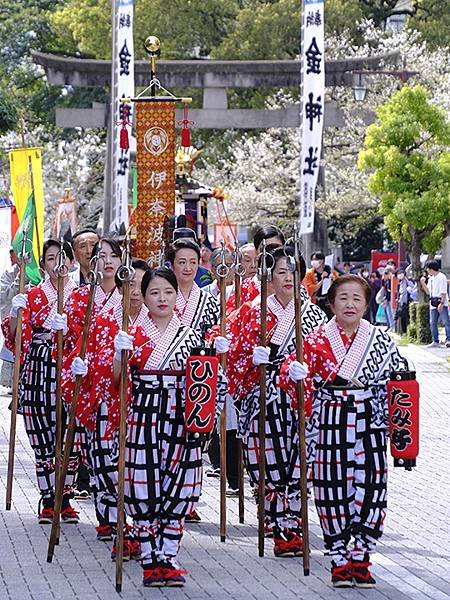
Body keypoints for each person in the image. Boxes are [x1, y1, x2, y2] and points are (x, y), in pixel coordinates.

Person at [284, 274, 401, 588]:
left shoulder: (380, 339)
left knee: (372, 487)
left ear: (366, 304)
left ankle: (361, 557)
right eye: (343, 298)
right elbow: (295, 379)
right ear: (331, 302)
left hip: (369, 420)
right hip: (330, 419)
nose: (350, 304)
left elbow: (399, 381)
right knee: (332, 487)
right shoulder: (316, 339)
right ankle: (339, 558)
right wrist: (294, 373)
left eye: (357, 299)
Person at [111, 267, 226, 587]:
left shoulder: (191, 337)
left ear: (177, 295)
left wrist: (218, 360)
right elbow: (117, 384)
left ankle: (169, 557)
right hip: (144, 416)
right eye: (154, 293)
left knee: (179, 487)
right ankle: (149, 559)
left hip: (180, 418)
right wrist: (120, 357)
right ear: (143, 297)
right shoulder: (131, 335)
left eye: (168, 292)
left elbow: (208, 382)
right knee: (144, 485)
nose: (161, 299)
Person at [227, 246, 326, 556]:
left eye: (293, 272)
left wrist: (307, 368)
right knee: (270, 464)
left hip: (299, 396)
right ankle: (279, 525)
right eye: (281, 272)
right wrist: (251, 360)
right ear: (268, 277)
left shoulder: (313, 313)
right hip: (265, 395)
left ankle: (293, 525)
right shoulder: (251, 311)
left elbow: (324, 358)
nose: (288, 278)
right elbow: (234, 360)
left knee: (300, 462)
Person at [62, 259, 150, 556]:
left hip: (146, 410)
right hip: (104, 404)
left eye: (142, 286)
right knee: (107, 468)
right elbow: (83, 356)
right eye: (130, 285)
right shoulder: (103, 320)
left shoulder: (161, 323)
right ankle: (115, 524)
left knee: (140, 471)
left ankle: (137, 529)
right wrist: (81, 367)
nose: (135, 292)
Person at [1, 240, 79, 523]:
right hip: (39, 367)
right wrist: (15, 313)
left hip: (71, 365)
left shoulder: (82, 296)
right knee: (43, 434)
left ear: (71, 262)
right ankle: (48, 498)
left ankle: (66, 497)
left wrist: (69, 330)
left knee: (71, 433)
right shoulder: (33, 295)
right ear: (43, 265)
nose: (57, 263)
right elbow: (15, 339)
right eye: (50, 258)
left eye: (62, 257)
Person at [61, 238, 123, 533]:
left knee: (119, 452)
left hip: (122, 384)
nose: (108, 261)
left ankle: (121, 516)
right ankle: (106, 517)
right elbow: (70, 343)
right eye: (102, 255)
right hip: (89, 385)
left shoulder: (130, 297)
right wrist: (74, 364)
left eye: (114, 255)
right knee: (97, 453)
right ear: (92, 262)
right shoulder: (79, 298)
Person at [167, 239, 221, 521]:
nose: (187, 268)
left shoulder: (208, 299)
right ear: (171, 264)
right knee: (168, 437)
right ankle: (169, 494)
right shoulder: (162, 294)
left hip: (199, 375)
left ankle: (189, 498)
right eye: (181, 262)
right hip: (166, 375)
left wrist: (217, 341)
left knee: (195, 437)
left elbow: (214, 329)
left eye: (192, 262)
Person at [238, 224, 285, 304]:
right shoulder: (245, 287)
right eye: (265, 249)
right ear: (257, 252)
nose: (271, 253)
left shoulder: (292, 284)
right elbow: (233, 315)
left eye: (276, 248)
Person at [420, 259, 450, 348]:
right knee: (432, 322)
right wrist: (423, 283)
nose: (427, 271)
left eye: (428, 269)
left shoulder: (442, 277)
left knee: (446, 321)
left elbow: (443, 291)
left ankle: (448, 339)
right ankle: (435, 340)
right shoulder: (431, 278)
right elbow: (428, 292)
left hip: (441, 301)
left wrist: (441, 303)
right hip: (433, 301)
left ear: (431, 269)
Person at [303, 251, 334, 319]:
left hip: (328, 302)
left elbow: (336, 286)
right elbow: (310, 289)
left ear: (322, 261)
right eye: (312, 259)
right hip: (316, 302)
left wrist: (332, 280)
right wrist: (322, 280)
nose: (314, 261)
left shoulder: (330, 271)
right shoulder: (310, 273)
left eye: (316, 259)